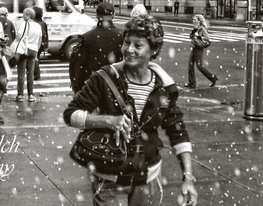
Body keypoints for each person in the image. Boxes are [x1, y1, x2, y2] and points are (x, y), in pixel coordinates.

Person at [64, 15, 198, 205]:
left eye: (138, 45)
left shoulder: (164, 88)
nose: (129, 50)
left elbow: (178, 132)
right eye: (127, 43)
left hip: (148, 179)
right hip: (109, 178)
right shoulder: (105, 78)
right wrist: (108, 121)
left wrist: (188, 177)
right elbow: (71, 115)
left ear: (154, 50)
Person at [69, 1, 123, 93]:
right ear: (113, 15)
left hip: (92, 86)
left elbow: (79, 62)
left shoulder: (88, 37)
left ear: (97, 16)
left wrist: (77, 86)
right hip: (115, 86)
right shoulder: (121, 35)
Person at [12, 7, 41, 102]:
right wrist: (36, 51)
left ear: (28, 15)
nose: (23, 16)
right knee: (30, 73)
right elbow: (40, 39)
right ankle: (31, 95)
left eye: (24, 14)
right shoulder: (37, 25)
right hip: (33, 50)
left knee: (21, 73)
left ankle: (20, 95)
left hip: (24, 50)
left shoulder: (24, 24)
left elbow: (19, 36)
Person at [185, 14, 217, 88]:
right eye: (193, 20)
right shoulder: (196, 28)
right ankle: (192, 82)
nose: (193, 21)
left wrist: (198, 38)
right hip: (194, 48)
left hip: (199, 49)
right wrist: (194, 34)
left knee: (200, 66)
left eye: (194, 20)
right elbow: (191, 36)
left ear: (199, 21)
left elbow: (207, 39)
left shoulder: (202, 29)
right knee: (190, 65)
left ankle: (213, 78)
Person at [33, 6, 48, 81]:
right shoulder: (42, 22)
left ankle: (36, 75)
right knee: (36, 58)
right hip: (42, 44)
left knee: (34, 58)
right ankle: (36, 74)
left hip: (37, 43)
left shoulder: (35, 23)